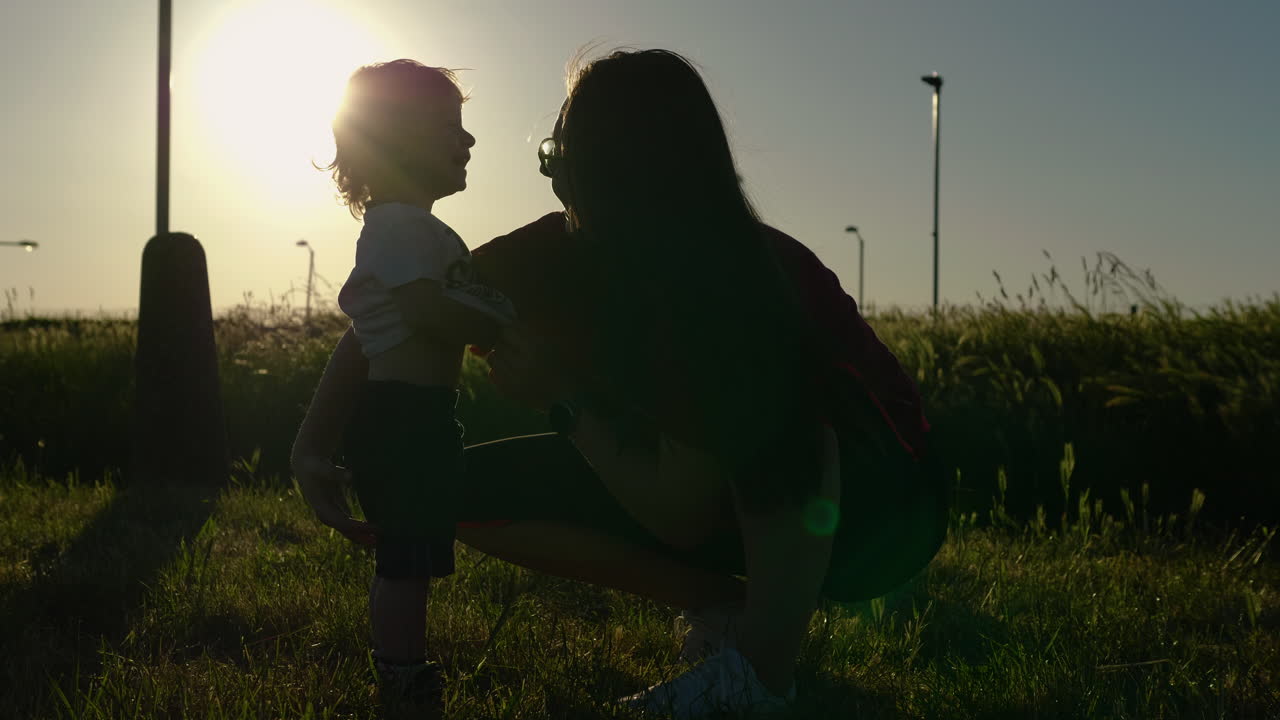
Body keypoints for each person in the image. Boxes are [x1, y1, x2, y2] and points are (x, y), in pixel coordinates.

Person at [293, 49, 946, 719]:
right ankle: (729, 612)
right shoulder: (560, 249)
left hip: (875, 515)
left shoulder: (747, 275)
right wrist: (314, 443)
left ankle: (760, 675)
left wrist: (563, 399)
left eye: (557, 157)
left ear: (613, 165)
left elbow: (686, 512)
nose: (552, 178)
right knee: (441, 486)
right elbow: (398, 307)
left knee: (790, 411)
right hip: (699, 487)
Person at [305, 58, 516, 717]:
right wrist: (501, 324)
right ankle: (401, 671)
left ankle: (401, 663)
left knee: (412, 552)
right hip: (402, 416)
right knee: (405, 557)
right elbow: (425, 308)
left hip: (417, 413)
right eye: (449, 126)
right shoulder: (398, 227)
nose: (468, 139)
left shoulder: (415, 229)